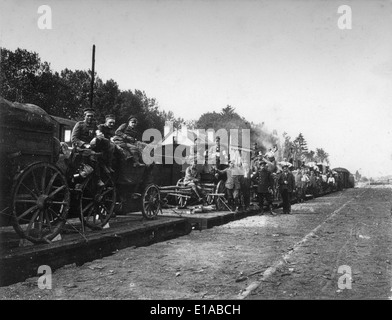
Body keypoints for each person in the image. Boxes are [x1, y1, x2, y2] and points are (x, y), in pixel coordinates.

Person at [71, 108, 111, 187]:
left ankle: (105, 166)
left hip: (90, 148)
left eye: (92, 116)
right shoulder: (79, 124)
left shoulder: (94, 126)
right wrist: (85, 145)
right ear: (84, 116)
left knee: (103, 149)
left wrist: (98, 137)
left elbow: (98, 135)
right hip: (80, 148)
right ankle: (97, 178)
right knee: (93, 155)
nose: (90, 118)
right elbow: (74, 139)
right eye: (88, 116)